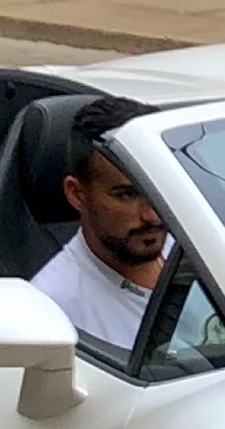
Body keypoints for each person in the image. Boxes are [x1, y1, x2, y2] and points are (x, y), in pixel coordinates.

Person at [30, 96, 167, 350]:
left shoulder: (205, 241)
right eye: (126, 194)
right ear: (77, 194)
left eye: (159, 191)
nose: (153, 216)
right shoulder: (51, 312)